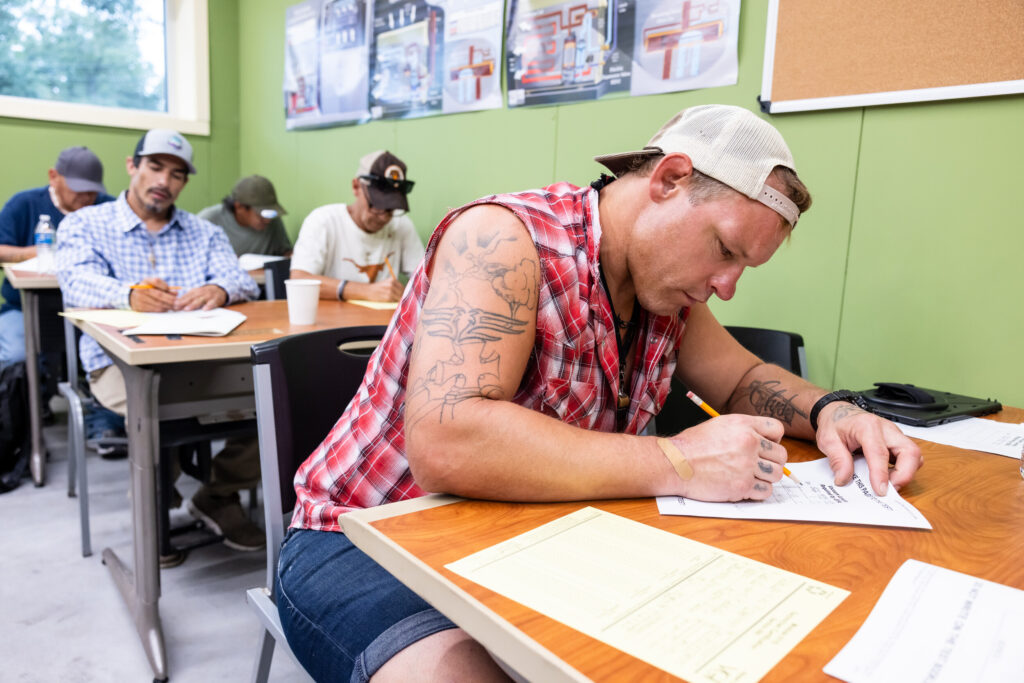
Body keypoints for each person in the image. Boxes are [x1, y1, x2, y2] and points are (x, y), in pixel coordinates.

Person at [274, 105, 925, 681]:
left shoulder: (663, 288)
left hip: (520, 542)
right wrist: (680, 462)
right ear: (668, 180)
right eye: (723, 249)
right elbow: (446, 442)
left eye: (743, 267)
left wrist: (832, 410)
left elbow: (742, 379)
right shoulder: (502, 239)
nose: (727, 286)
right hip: (358, 540)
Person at [55, 129, 266, 554]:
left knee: (277, 397)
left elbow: (241, 278)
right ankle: (153, 506)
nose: (164, 181)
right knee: (158, 407)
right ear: (132, 167)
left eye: (176, 174)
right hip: (117, 364)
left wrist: (221, 290)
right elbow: (74, 280)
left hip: (198, 358)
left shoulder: (201, 232)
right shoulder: (86, 223)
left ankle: (218, 495)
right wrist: (127, 294)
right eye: (154, 167)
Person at [0, 146, 122, 447]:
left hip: (90, 307)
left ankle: (104, 420)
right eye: (79, 191)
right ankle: (23, 426)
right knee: (16, 355)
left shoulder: (105, 208)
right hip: (25, 305)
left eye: (92, 192)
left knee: (110, 350)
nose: (87, 199)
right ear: (54, 177)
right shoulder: (25, 204)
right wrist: (38, 252)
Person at [289, 150, 425, 302]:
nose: (384, 217)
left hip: (380, 322)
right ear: (356, 187)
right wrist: (363, 291)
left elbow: (426, 280)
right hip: (331, 321)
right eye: (377, 206)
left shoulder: (401, 225)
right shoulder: (324, 221)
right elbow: (299, 280)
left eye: (391, 209)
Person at [197, 175, 292, 257]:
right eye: (261, 215)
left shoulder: (273, 221)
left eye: (271, 214)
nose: (267, 220)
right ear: (239, 207)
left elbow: (285, 253)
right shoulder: (209, 220)